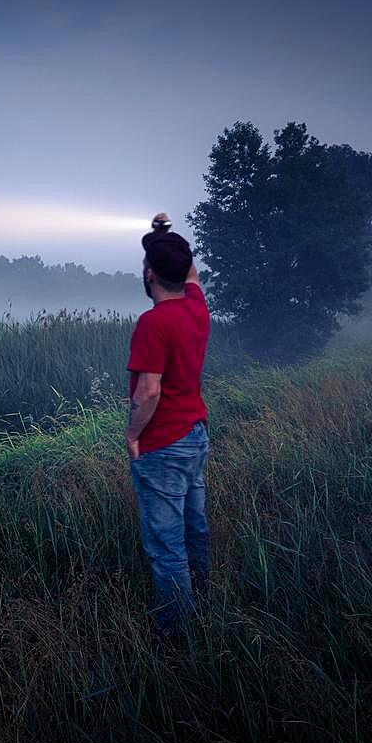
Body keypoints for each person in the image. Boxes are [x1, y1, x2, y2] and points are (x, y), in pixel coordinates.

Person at [126, 214, 211, 637]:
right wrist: (164, 236)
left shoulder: (153, 323)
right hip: (196, 435)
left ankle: (178, 636)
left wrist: (132, 435)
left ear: (149, 274)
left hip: (164, 444)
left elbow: (148, 393)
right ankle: (206, 598)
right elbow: (190, 272)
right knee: (194, 525)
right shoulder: (197, 306)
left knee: (166, 544)